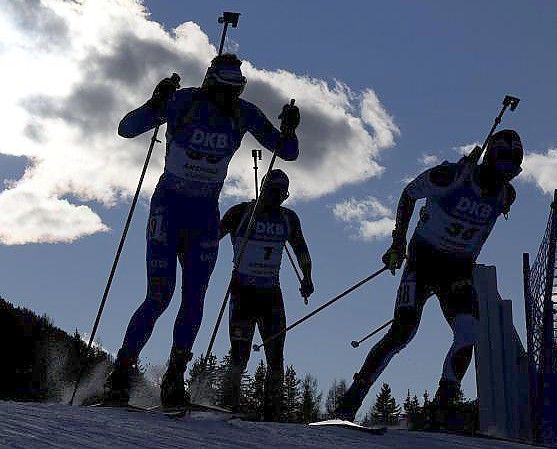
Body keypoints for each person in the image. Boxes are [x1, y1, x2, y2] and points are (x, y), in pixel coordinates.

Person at [105, 53, 301, 408]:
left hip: (204, 215)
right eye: (224, 90)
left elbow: (287, 152)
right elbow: (126, 128)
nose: (229, 99)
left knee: (195, 297)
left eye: (235, 91)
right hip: (170, 208)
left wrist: (289, 127)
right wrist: (154, 104)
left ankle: (175, 376)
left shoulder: (244, 113)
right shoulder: (184, 102)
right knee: (160, 296)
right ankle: (121, 371)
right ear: (211, 83)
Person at [334, 129, 523, 426]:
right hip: (423, 260)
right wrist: (398, 241)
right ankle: (353, 397)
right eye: (502, 165)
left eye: (513, 170)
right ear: (490, 159)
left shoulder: (505, 195)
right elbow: (409, 194)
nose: (505, 175)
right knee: (402, 332)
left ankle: (443, 403)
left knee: (468, 331)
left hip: (457, 268)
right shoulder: (452, 176)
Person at [218, 169, 313, 419]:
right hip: (243, 293)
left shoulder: (288, 218)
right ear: (263, 188)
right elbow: (212, 236)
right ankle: (230, 404)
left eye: (281, 194)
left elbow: (301, 248)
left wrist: (307, 277)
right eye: (273, 191)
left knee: (276, 354)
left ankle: (272, 408)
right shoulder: (240, 212)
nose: (277, 198)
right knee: (240, 351)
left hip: (271, 295)